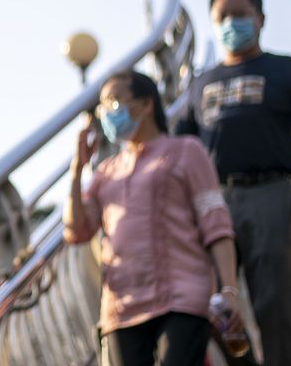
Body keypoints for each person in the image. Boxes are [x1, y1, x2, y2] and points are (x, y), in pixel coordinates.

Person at [175, 0, 291, 366]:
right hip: (214, 202)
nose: (230, 23)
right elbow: (180, 150)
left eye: (239, 14)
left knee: (274, 304)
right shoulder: (202, 83)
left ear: (260, 20)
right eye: (221, 17)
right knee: (217, 304)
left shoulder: (285, 70)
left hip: (269, 193)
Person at [64, 71, 244, 366]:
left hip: (182, 298)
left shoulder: (186, 151)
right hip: (121, 308)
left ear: (146, 104)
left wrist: (229, 290)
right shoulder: (106, 172)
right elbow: (76, 231)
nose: (107, 113)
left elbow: (216, 224)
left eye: (113, 101)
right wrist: (76, 169)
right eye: (103, 107)